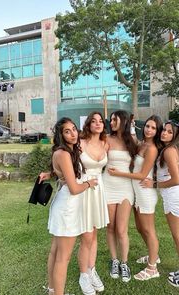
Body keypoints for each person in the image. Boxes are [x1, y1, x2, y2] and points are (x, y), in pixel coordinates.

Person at [41, 117, 98, 295]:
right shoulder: (64, 153)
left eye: (74, 129)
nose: (73, 134)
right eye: (67, 131)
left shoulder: (64, 152)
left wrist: (51, 173)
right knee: (62, 258)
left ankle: (52, 290)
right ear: (61, 134)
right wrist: (90, 183)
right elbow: (74, 188)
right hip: (67, 208)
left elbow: (64, 174)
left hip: (65, 205)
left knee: (56, 252)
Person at [108, 115, 163, 281]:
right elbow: (131, 141)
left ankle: (152, 268)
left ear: (157, 131)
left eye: (153, 128)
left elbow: (141, 174)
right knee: (140, 228)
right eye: (147, 126)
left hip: (144, 192)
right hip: (136, 192)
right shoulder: (142, 144)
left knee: (149, 230)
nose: (149, 130)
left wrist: (119, 173)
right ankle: (154, 255)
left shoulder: (152, 148)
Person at [143, 120, 179, 291]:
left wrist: (155, 184)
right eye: (164, 130)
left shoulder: (169, 151)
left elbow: (175, 179)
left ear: (175, 136)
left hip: (174, 196)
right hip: (178, 196)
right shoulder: (170, 149)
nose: (164, 133)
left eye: (169, 132)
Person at [102, 110, 137, 282]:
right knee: (110, 227)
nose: (112, 122)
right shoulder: (107, 139)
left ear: (123, 121)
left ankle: (124, 263)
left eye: (115, 119)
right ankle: (114, 260)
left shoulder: (132, 141)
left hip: (125, 188)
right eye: (111, 119)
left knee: (122, 230)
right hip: (108, 186)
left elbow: (143, 159)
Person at [78, 111, 109, 295]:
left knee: (95, 233)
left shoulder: (106, 143)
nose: (97, 124)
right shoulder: (80, 143)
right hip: (84, 189)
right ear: (88, 124)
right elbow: (66, 161)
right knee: (87, 237)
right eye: (94, 121)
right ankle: (83, 274)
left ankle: (91, 269)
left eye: (100, 121)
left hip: (99, 190)